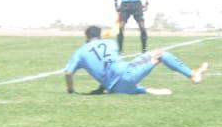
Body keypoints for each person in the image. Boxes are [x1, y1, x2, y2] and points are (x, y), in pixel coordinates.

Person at [64, 25, 208, 96]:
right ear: (100, 36)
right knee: (160, 54)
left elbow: (68, 73)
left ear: (86, 37)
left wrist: (71, 91)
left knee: (128, 79)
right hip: (126, 74)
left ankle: (145, 90)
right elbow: (110, 63)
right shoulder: (110, 43)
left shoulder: (80, 52)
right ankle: (192, 75)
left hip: (114, 89)